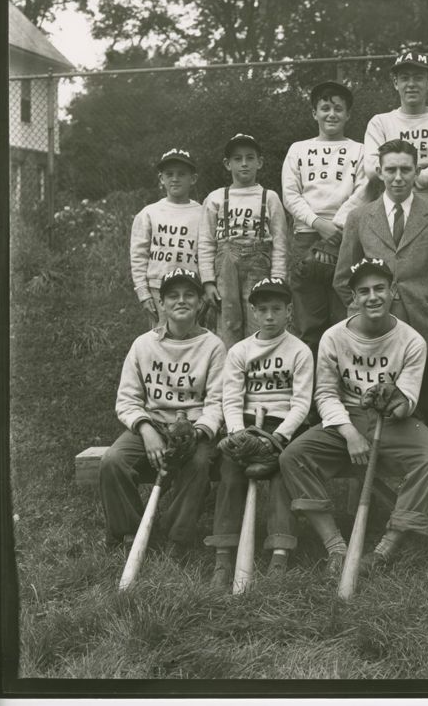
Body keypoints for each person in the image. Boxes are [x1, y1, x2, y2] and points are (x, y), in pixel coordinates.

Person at [279, 257, 428, 580]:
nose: (373, 297)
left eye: (380, 289)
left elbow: (408, 400)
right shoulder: (334, 337)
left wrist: (393, 401)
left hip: (392, 422)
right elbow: (326, 394)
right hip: (348, 417)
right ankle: (336, 547)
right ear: (353, 298)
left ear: (393, 291)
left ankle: (386, 547)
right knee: (293, 457)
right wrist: (349, 434)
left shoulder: (412, 340)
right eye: (364, 291)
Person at [334, 138, 428, 425]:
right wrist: (364, 314)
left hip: (423, 325)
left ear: (416, 172)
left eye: (405, 170)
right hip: (371, 335)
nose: (398, 178)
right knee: (371, 411)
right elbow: (344, 278)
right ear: (379, 172)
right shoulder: (358, 218)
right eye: (390, 170)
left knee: (418, 413)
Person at [102, 268, 225, 551]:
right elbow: (127, 399)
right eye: (173, 296)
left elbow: (217, 401)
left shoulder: (213, 346)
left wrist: (198, 433)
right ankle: (128, 534)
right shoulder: (144, 344)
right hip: (154, 424)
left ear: (199, 303)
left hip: (194, 429)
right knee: (113, 462)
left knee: (197, 465)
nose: (181, 301)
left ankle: (174, 537)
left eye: (189, 295)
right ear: (163, 304)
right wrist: (146, 430)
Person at [206, 277, 314, 587]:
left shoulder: (300, 351)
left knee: (282, 471)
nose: (269, 316)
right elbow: (231, 398)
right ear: (253, 312)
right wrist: (239, 433)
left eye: (277, 309)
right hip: (245, 423)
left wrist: (277, 437)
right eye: (263, 309)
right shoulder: (240, 350)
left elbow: (301, 403)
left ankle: (279, 553)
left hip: (282, 427)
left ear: (288, 311)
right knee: (229, 471)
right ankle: (224, 555)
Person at [282, 81, 369, 356]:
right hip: (306, 237)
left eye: (338, 109)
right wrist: (318, 223)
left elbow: (364, 191)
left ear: (348, 115)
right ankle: (310, 396)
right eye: (325, 108)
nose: (332, 114)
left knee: (343, 320)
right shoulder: (298, 149)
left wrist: (337, 225)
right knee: (309, 324)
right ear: (314, 113)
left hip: (345, 237)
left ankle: (339, 394)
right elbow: (290, 195)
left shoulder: (360, 150)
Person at [199, 133, 290, 348]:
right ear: (227, 164)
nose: (244, 164)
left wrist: (278, 278)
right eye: (237, 159)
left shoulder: (270, 197)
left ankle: (257, 372)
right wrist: (208, 281)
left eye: (250, 158)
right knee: (228, 321)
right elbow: (205, 242)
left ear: (260, 162)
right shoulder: (215, 198)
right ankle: (229, 374)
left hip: (259, 266)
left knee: (257, 319)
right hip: (226, 266)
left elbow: (280, 243)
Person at [361, 50, 428, 210]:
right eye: (404, 78)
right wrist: (419, 174)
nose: (411, 84)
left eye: (418, 78)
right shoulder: (380, 122)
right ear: (396, 83)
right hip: (393, 205)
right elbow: (372, 169)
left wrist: (404, 177)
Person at [129, 148, 202, 326]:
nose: (175, 179)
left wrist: (205, 290)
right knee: (160, 338)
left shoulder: (203, 212)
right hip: (158, 288)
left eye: (182, 174)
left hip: (192, 288)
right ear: (161, 178)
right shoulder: (149, 213)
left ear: (193, 179)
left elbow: (209, 253)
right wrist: (143, 293)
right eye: (169, 174)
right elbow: (138, 256)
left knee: (192, 339)